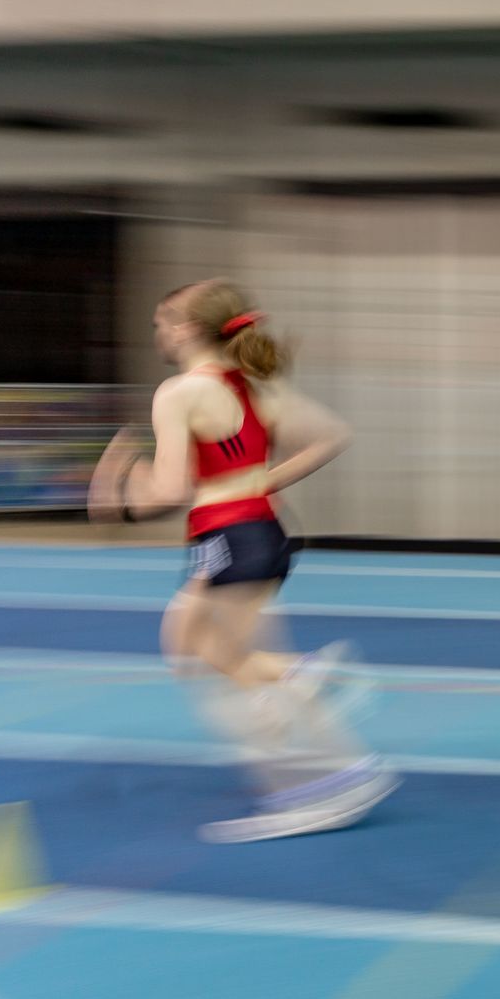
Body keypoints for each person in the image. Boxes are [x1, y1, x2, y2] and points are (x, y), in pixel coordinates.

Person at [89, 280, 395, 842]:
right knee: (188, 645)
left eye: (161, 323)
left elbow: (171, 489)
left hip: (232, 537)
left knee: (229, 670)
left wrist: (120, 497)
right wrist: (259, 482)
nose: (157, 333)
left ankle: (315, 781)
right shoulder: (252, 386)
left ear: (183, 330)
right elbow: (333, 435)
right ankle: (301, 687)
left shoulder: (179, 393)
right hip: (256, 533)